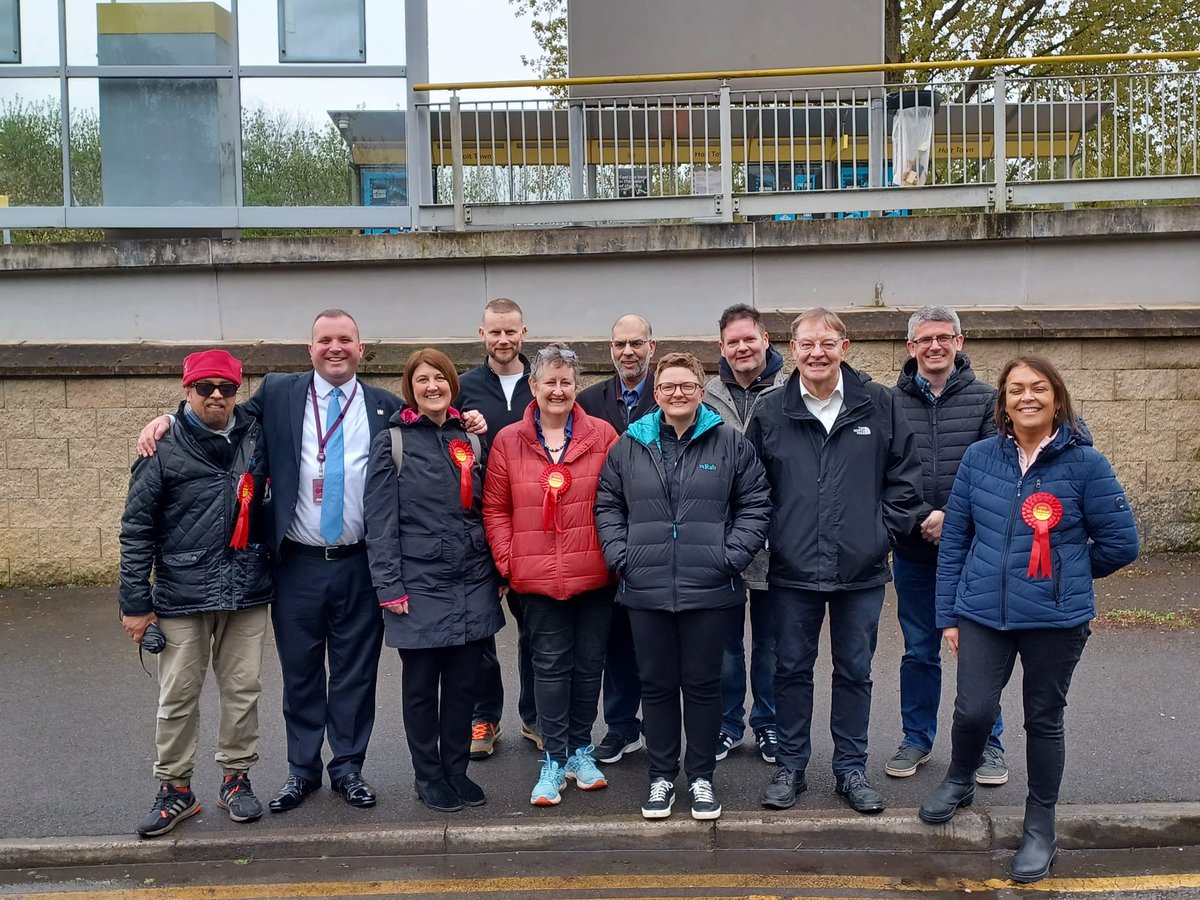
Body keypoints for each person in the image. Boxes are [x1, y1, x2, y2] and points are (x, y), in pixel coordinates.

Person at [137, 310, 412, 812]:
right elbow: (222, 415)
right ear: (309, 350)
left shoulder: (385, 408)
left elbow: (436, 429)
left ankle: (348, 768)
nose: (335, 348)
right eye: (324, 340)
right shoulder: (280, 393)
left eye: (345, 340)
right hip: (296, 564)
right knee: (301, 673)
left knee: (355, 673)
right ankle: (301, 771)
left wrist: (473, 420)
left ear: (361, 348)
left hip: (359, 563)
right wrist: (170, 418)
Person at [918, 355, 1138, 884]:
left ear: (1057, 398)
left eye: (1039, 388)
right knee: (972, 711)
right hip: (982, 614)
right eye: (1016, 390)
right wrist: (948, 612)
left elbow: (1121, 544)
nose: (1027, 398)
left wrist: (1065, 571)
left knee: (1043, 720)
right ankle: (959, 778)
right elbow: (955, 542)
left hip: (1055, 621)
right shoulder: (978, 458)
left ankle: (1041, 825)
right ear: (1004, 402)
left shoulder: (1087, 465)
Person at [747, 308, 923, 815]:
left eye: (827, 343)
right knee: (791, 670)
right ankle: (792, 768)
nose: (817, 353)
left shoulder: (880, 404)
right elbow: (753, 487)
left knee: (854, 672)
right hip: (792, 571)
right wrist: (772, 537)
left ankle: (850, 769)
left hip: (860, 571)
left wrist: (879, 533)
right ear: (793, 348)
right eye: (807, 344)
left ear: (845, 347)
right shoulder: (770, 410)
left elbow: (905, 479)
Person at [595, 352, 770, 820]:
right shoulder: (629, 445)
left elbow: (755, 502)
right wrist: (621, 556)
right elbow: (607, 503)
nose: (677, 394)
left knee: (703, 686)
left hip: (710, 588)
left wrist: (730, 557)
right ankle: (660, 778)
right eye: (669, 387)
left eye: (686, 386)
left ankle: (701, 779)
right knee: (654, 687)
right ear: (656, 394)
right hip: (645, 587)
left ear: (700, 390)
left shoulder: (729, 443)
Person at [119, 349, 272, 837]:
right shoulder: (160, 447)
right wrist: (135, 604)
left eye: (226, 388)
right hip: (182, 593)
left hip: (247, 589)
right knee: (178, 697)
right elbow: (136, 529)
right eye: (205, 387)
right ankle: (175, 790)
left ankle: (236, 778)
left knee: (243, 691)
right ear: (187, 390)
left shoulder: (256, 432)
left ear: (238, 391)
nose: (216, 397)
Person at [364, 349, 505, 813]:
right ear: (411, 387)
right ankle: (429, 776)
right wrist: (390, 588)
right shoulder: (394, 442)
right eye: (422, 380)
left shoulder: (474, 440)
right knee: (422, 687)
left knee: (466, 683)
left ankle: (456, 770)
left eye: (439, 379)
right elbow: (380, 522)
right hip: (418, 582)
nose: (432, 387)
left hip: (472, 579)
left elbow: (490, 511)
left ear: (451, 385)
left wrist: (499, 570)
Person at [482, 342, 619, 806]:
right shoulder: (507, 440)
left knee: (588, 668)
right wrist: (511, 561)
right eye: (549, 382)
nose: (557, 390)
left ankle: (581, 749)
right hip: (536, 580)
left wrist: (614, 556)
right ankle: (553, 759)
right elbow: (496, 510)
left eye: (566, 382)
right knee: (549, 667)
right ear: (533, 386)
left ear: (575, 386)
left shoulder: (602, 435)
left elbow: (620, 501)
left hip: (595, 576)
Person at [886, 306, 1008, 785]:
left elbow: (995, 475)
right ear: (910, 347)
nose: (934, 346)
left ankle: (988, 745)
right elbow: (887, 475)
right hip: (914, 551)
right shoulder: (888, 403)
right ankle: (917, 738)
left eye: (944, 337)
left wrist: (951, 519)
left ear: (959, 343)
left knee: (979, 652)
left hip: (975, 553)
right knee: (919, 650)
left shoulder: (987, 401)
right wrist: (920, 518)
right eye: (924, 339)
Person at [703, 303, 787, 765]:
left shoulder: (791, 389)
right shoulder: (706, 395)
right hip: (720, 541)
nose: (741, 348)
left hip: (778, 539)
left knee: (772, 643)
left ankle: (769, 725)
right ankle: (728, 723)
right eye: (732, 341)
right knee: (725, 644)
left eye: (748, 339)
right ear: (722, 346)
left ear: (765, 339)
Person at [458, 297, 539, 759]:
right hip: (476, 524)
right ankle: (483, 716)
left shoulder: (541, 382)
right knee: (479, 630)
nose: (503, 340)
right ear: (482, 333)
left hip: (534, 525)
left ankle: (535, 716)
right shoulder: (463, 386)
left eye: (511, 331)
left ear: (523, 332)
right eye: (495, 332)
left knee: (536, 629)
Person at [578, 313, 658, 765]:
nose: (628, 351)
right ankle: (622, 726)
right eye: (620, 344)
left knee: (659, 640)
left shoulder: (667, 394)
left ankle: (664, 726)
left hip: (660, 535)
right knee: (616, 644)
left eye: (636, 343)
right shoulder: (589, 400)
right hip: (606, 536)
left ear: (652, 346)